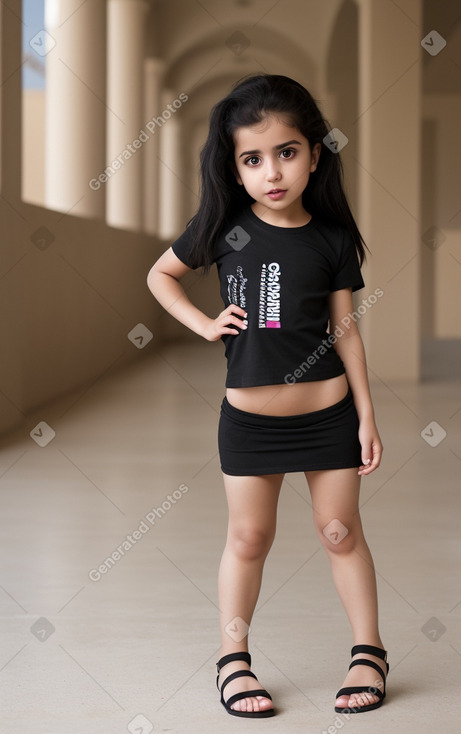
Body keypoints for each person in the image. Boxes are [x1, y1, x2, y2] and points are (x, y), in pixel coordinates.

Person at [147, 73, 388, 719]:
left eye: (286, 152)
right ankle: (235, 660)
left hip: (328, 415)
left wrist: (365, 415)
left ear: (313, 152)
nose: (271, 171)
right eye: (252, 159)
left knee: (339, 533)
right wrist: (202, 323)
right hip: (249, 423)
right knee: (248, 539)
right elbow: (161, 273)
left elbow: (344, 329)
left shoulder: (332, 238)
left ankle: (368, 650)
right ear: (235, 167)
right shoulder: (223, 228)